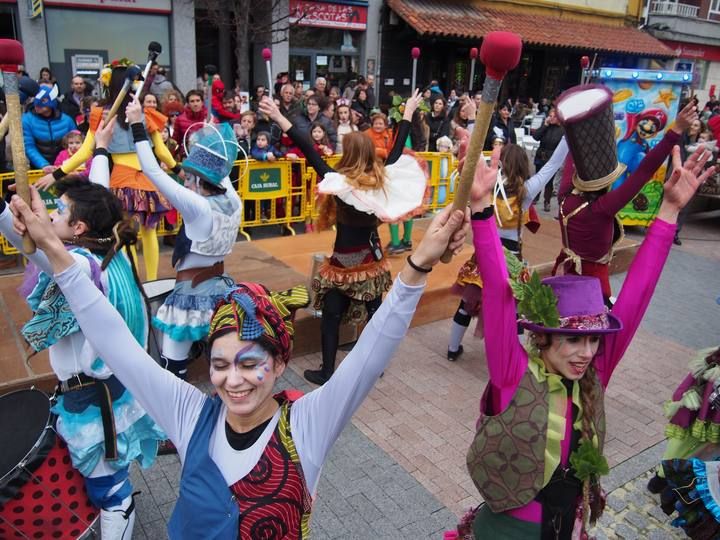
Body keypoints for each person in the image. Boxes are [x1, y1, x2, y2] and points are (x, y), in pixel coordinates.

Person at [11, 180, 469, 540]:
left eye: (250, 364)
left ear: (276, 363)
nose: (233, 381)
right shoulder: (190, 416)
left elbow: (369, 357)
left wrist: (419, 267)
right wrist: (53, 248)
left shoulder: (306, 426)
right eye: (221, 364)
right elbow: (114, 341)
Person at [458, 139, 714, 539]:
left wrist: (669, 212)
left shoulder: (595, 374)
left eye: (593, 341)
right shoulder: (512, 371)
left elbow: (637, 294)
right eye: (574, 341)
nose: (587, 352)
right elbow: (496, 288)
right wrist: (480, 210)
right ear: (542, 337)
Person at [0, 173, 165, 539]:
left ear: (79, 227)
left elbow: (40, 248)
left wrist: (21, 219)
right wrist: (30, 214)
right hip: (108, 389)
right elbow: (39, 243)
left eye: (59, 213)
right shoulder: (108, 251)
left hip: (94, 397)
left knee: (110, 491)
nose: (52, 218)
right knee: (106, 478)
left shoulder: (81, 266)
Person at [259, 91, 428, 386]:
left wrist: (278, 116)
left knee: (332, 316)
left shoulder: (339, 182)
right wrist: (408, 111)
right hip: (372, 259)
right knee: (375, 317)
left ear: (349, 156)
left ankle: (327, 371)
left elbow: (308, 148)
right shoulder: (381, 180)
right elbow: (398, 148)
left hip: (345, 263)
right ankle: (374, 366)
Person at [124, 97, 242, 382]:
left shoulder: (197, 206)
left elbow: (152, 172)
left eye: (190, 178)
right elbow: (220, 173)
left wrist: (138, 125)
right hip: (219, 288)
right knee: (219, 356)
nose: (185, 182)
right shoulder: (234, 199)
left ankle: (175, 412)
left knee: (172, 366)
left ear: (201, 181)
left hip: (190, 293)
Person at [40, 61, 179, 282]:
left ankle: (132, 281)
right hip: (146, 180)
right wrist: (178, 169)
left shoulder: (102, 113)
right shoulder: (141, 112)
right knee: (149, 233)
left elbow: (85, 152)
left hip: (121, 180)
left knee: (124, 233)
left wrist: (56, 174)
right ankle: (151, 281)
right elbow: (161, 151)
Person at [553, 95, 697, 301]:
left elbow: (571, 156)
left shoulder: (565, 196)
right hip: (592, 290)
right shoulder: (602, 208)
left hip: (562, 277)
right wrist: (675, 132)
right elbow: (644, 171)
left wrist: (576, 125)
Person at [447, 139, 568, 361]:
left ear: (501, 163)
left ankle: (452, 350)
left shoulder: (488, 188)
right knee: (514, 311)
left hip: (483, 257)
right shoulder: (526, 191)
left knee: (467, 303)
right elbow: (552, 165)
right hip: (511, 260)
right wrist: (565, 137)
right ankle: (516, 357)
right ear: (523, 165)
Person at [22, 84, 77, 168]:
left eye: (43, 101)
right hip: (39, 168)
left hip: (65, 166)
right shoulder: (27, 120)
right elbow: (29, 146)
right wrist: (44, 165)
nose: (37, 105)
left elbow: (76, 142)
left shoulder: (67, 120)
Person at [532, 107, 564, 212]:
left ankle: (547, 201)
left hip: (552, 158)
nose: (551, 118)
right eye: (550, 116)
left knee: (549, 181)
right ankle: (535, 197)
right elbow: (536, 137)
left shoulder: (562, 130)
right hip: (541, 154)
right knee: (538, 177)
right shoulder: (546, 126)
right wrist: (545, 125)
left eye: (554, 116)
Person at [173, 89, 208, 155]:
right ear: (188, 104)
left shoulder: (210, 118)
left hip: (206, 156)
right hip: (187, 155)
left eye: (198, 101)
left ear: (202, 102)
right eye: (192, 101)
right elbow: (175, 141)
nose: (195, 104)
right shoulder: (180, 120)